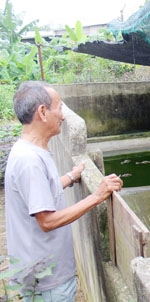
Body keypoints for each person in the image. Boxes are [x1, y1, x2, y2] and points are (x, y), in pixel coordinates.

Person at [4, 81, 123, 301]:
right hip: (47, 283)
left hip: (41, 275)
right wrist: (96, 196)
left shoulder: (29, 150)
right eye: (59, 108)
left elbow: (38, 193)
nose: (63, 116)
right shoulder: (30, 161)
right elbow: (47, 221)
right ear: (42, 112)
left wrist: (70, 177)